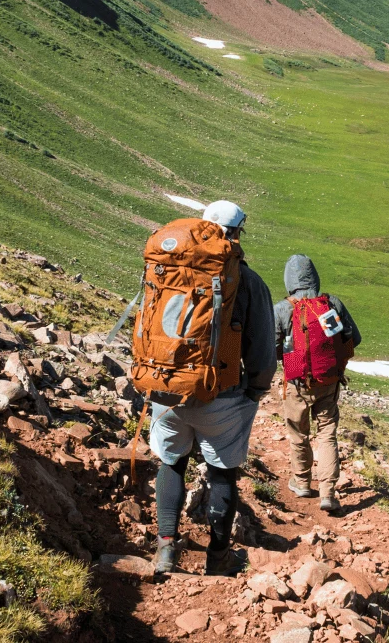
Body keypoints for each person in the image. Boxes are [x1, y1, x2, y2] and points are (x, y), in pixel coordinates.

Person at [148, 200, 275, 576]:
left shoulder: (167, 266)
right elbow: (262, 347)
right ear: (235, 233)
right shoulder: (247, 280)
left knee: (172, 462)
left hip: (166, 387)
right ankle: (218, 557)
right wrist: (255, 389)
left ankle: (166, 548)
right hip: (220, 393)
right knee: (221, 473)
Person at [274, 254, 361, 512]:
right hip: (328, 380)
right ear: (315, 277)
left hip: (297, 381)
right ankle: (328, 493)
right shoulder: (332, 304)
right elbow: (353, 339)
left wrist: (290, 358)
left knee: (298, 433)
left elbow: (271, 349)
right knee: (327, 435)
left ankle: (301, 482)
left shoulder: (282, 308)